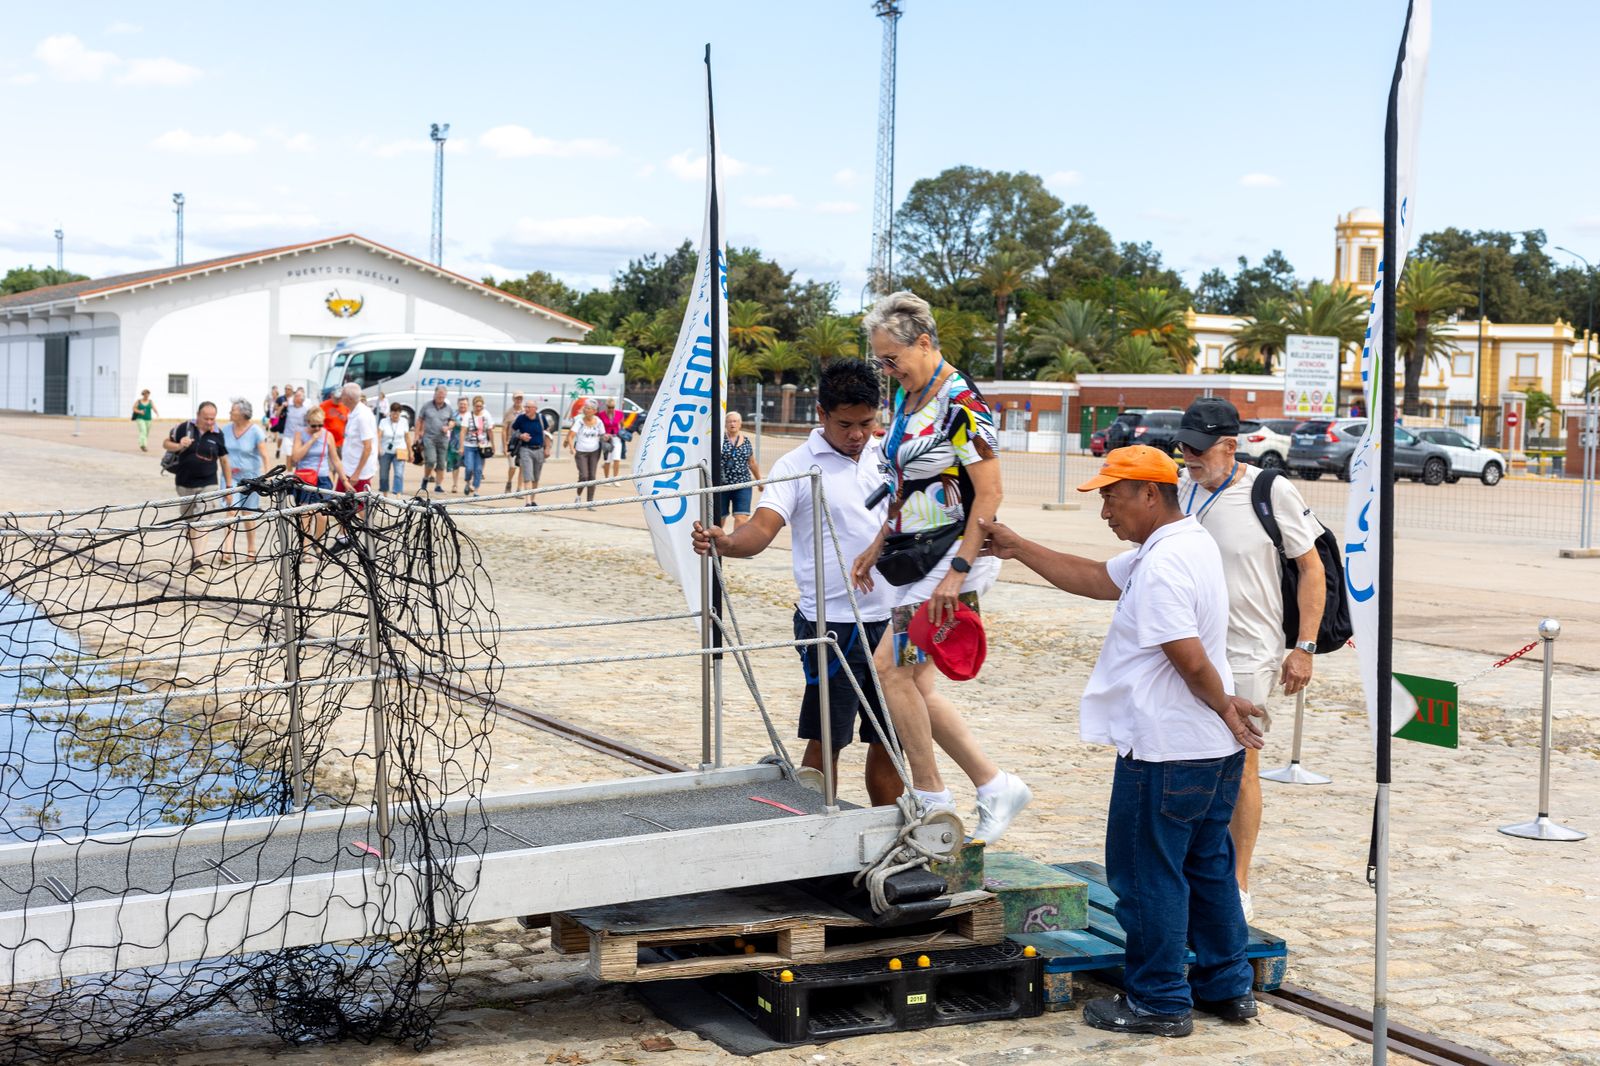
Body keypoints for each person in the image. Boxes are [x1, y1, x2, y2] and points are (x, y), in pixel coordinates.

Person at [979, 445, 1266, 1037]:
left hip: (1167, 748)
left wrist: (1226, 706)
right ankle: (1227, 986)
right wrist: (1018, 547)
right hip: (1210, 751)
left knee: (1146, 876)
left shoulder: (1162, 563)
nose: (1104, 508)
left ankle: (1159, 1002)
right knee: (1208, 865)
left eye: (1111, 495)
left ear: (1149, 493)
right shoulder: (1184, 542)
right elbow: (1094, 578)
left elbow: (1185, 654)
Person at [849, 290, 1032, 843]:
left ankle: (931, 797)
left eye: (890, 359)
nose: (885, 370)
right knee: (918, 686)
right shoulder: (910, 396)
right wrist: (881, 539)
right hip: (917, 551)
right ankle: (995, 785)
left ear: (923, 343)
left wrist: (958, 570)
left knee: (891, 669)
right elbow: (909, 481)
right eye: (880, 360)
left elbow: (990, 491)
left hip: (955, 557)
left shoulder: (960, 402)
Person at [690, 360, 900, 804]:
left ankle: (890, 833)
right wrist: (725, 543)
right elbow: (762, 529)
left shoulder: (888, 456)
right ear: (821, 414)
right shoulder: (796, 466)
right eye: (845, 424)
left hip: (893, 621)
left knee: (892, 737)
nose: (857, 434)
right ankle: (820, 834)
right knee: (829, 737)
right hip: (831, 627)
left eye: (866, 422)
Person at [1174, 398, 1325, 921]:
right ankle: (1197, 872)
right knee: (1187, 758)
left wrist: (1303, 647)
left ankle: (1237, 884)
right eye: (1183, 446)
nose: (1188, 455)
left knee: (1240, 766)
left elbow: (1311, 569)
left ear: (1229, 446)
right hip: (1190, 646)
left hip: (1248, 651)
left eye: (1198, 448)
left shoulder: (1269, 490)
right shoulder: (1182, 486)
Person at [162, 401, 232, 573]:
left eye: (213, 418)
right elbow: (166, 443)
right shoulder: (183, 428)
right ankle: (196, 554)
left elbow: (224, 460)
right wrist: (179, 445)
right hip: (184, 483)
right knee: (190, 521)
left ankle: (198, 559)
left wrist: (229, 486)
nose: (210, 422)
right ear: (198, 415)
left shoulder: (217, 433)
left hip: (209, 482)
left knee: (203, 518)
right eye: (206, 418)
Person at [221, 398, 271, 561]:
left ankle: (251, 549)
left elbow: (264, 455)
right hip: (230, 477)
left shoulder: (256, 431)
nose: (230, 412)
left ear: (242, 413)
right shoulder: (226, 429)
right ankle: (227, 550)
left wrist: (267, 476)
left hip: (251, 478)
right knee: (230, 510)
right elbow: (222, 454)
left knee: (248, 512)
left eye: (233, 410)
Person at [290, 406, 344, 540]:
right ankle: (305, 549)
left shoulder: (327, 435)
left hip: (323, 478)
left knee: (322, 515)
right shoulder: (300, 433)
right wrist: (312, 440)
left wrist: (345, 480)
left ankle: (317, 542)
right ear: (308, 422)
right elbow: (295, 457)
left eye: (320, 425)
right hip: (305, 478)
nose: (318, 428)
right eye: (314, 425)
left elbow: (335, 460)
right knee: (305, 514)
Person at [716, 411, 761, 530]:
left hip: (743, 484)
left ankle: (736, 546)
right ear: (725, 424)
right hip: (722, 485)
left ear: (740, 424)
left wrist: (759, 482)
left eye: (735, 421)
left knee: (741, 517)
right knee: (719, 518)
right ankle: (717, 545)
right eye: (729, 421)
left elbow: (752, 463)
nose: (732, 424)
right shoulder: (719, 440)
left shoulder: (746, 441)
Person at [338, 383, 378, 495]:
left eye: (343, 394)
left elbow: (368, 447)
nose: (340, 396)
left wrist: (357, 473)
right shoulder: (353, 412)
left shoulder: (362, 415)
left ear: (349, 398)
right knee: (340, 504)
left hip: (358, 473)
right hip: (348, 468)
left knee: (360, 507)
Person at [565, 401, 605, 505]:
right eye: (585, 408)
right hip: (581, 452)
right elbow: (570, 436)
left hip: (594, 452)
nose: (585, 410)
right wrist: (571, 448)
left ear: (594, 411)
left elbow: (602, 435)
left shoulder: (599, 422)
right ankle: (578, 496)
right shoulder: (579, 422)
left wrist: (607, 438)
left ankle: (590, 501)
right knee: (584, 476)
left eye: (588, 408)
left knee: (592, 476)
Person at [509, 397, 546, 507]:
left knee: (536, 476)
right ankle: (528, 501)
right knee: (528, 475)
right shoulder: (521, 418)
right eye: (526, 407)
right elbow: (513, 430)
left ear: (535, 409)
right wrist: (521, 435)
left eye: (529, 407)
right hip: (525, 449)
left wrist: (547, 448)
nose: (526, 409)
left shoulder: (541, 418)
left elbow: (547, 433)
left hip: (539, 449)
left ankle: (533, 499)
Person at [417, 386, 454, 493]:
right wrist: (417, 435)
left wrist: (449, 427)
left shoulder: (448, 408)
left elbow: (452, 421)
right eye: (439, 395)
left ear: (445, 396)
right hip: (429, 438)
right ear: (435, 394)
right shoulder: (427, 406)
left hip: (443, 439)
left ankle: (438, 485)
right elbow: (419, 420)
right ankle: (425, 479)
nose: (440, 397)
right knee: (431, 461)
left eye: (442, 395)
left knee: (441, 464)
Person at [459, 395, 496, 497]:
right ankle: (467, 482)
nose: (478, 408)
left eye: (480, 406)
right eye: (477, 406)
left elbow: (490, 430)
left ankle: (476, 489)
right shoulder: (468, 415)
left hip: (481, 446)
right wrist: (461, 446)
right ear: (473, 406)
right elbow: (463, 431)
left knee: (478, 469)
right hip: (469, 445)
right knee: (469, 467)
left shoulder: (486, 415)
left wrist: (493, 444)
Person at [378, 402, 413, 495]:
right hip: (385, 451)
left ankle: (397, 493)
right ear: (390, 412)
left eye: (397, 413)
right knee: (384, 473)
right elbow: (379, 436)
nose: (395, 415)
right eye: (393, 413)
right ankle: (384, 492)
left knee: (399, 473)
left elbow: (407, 437)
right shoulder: (383, 421)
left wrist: (410, 451)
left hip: (400, 450)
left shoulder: (404, 422)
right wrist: (379, 448)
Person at [598, 397, 627, 480]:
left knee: (617, 459)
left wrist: (622, 433)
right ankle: (606, 479)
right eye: (609, 407)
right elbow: (599, 427)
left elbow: (622, 425)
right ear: (606, 406)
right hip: (606, 439)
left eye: (612, 407)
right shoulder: (601, 414)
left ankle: (615, 478)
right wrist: (603, 435)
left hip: (616, 438)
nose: (611, 409)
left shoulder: (619, 414)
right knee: (607, 460)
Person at [502, 391, 525, 492]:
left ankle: (519, 488)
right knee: (512, 466)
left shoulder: (525, 412)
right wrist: (504, 445)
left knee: (522, 466)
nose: (518, 400)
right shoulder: (509, 412)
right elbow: (504, 430)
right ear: (513, 399)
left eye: (520, 398)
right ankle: (509, 481)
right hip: (512, 443)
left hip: (523, 443)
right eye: (517, 398)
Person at [446, 397, 470, 492]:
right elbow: (450, 423)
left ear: (468, 405)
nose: (462, 405)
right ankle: (455, 485)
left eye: (464, 404)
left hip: (469, 443)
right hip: (455, 443)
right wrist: (450, 425)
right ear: (458, 404)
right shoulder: (454, 414)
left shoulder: (470, 415)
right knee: (455, 465)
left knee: (469, 465)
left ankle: (469, 483)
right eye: (461, 404)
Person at [282, 388, 309, 458]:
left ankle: (297, 469)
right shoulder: (288, 407)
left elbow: (307, 425)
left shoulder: (306, 411)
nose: (294, 398)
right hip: (288, 435)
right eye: (294, 396)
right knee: (289, 456)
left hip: (299, 437)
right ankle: (289, 469)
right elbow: (276, 415)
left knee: (296, 457)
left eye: (296, 396)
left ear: (301, 399)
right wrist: (282, 406)